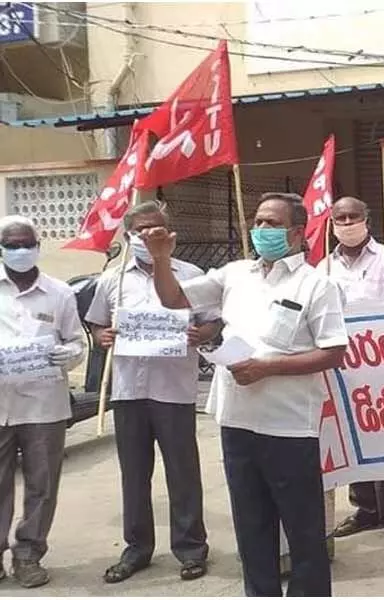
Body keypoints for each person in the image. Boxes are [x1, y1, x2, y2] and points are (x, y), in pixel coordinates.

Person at [142, 192, 348, 597]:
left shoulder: (316, 284)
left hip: (289, 426)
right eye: (258, 221)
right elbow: (174, 299)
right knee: (251, 529)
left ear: (296, 231)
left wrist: (266, 367)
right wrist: (161, 258)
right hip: (236, 422)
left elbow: (334, 352)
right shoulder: (234, 274)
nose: (262, 230)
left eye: (272, 223)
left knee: (304, 534)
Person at [85, 202, 221, 584]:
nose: (150, 236)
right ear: (130, 234)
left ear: (170, 233)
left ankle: (191, 548)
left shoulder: (192, 276)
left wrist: (202, 334)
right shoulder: (113, 278)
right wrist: (102, 337)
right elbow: (96, 325)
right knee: (134, 473)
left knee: (182, 473)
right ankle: (137, 548)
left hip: (175, 389)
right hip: (128, 391)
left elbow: (211, 323)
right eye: (142, 230)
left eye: (158, 228)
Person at [318, 196, 384, 548]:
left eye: (353, 216)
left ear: (366, 219)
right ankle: (366, 509)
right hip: (344, 370)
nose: (346, 222)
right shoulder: (324, 269)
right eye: (340, 217)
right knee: (352, 442)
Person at [0, 215, 85, 588]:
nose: (20, 251)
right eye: (11, 244)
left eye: (26, 243)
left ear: (38, 245)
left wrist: (69, 355)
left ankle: (28, 554)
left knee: (42, 483)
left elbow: (77, 342)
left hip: (44, 406)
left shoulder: (60, 292)